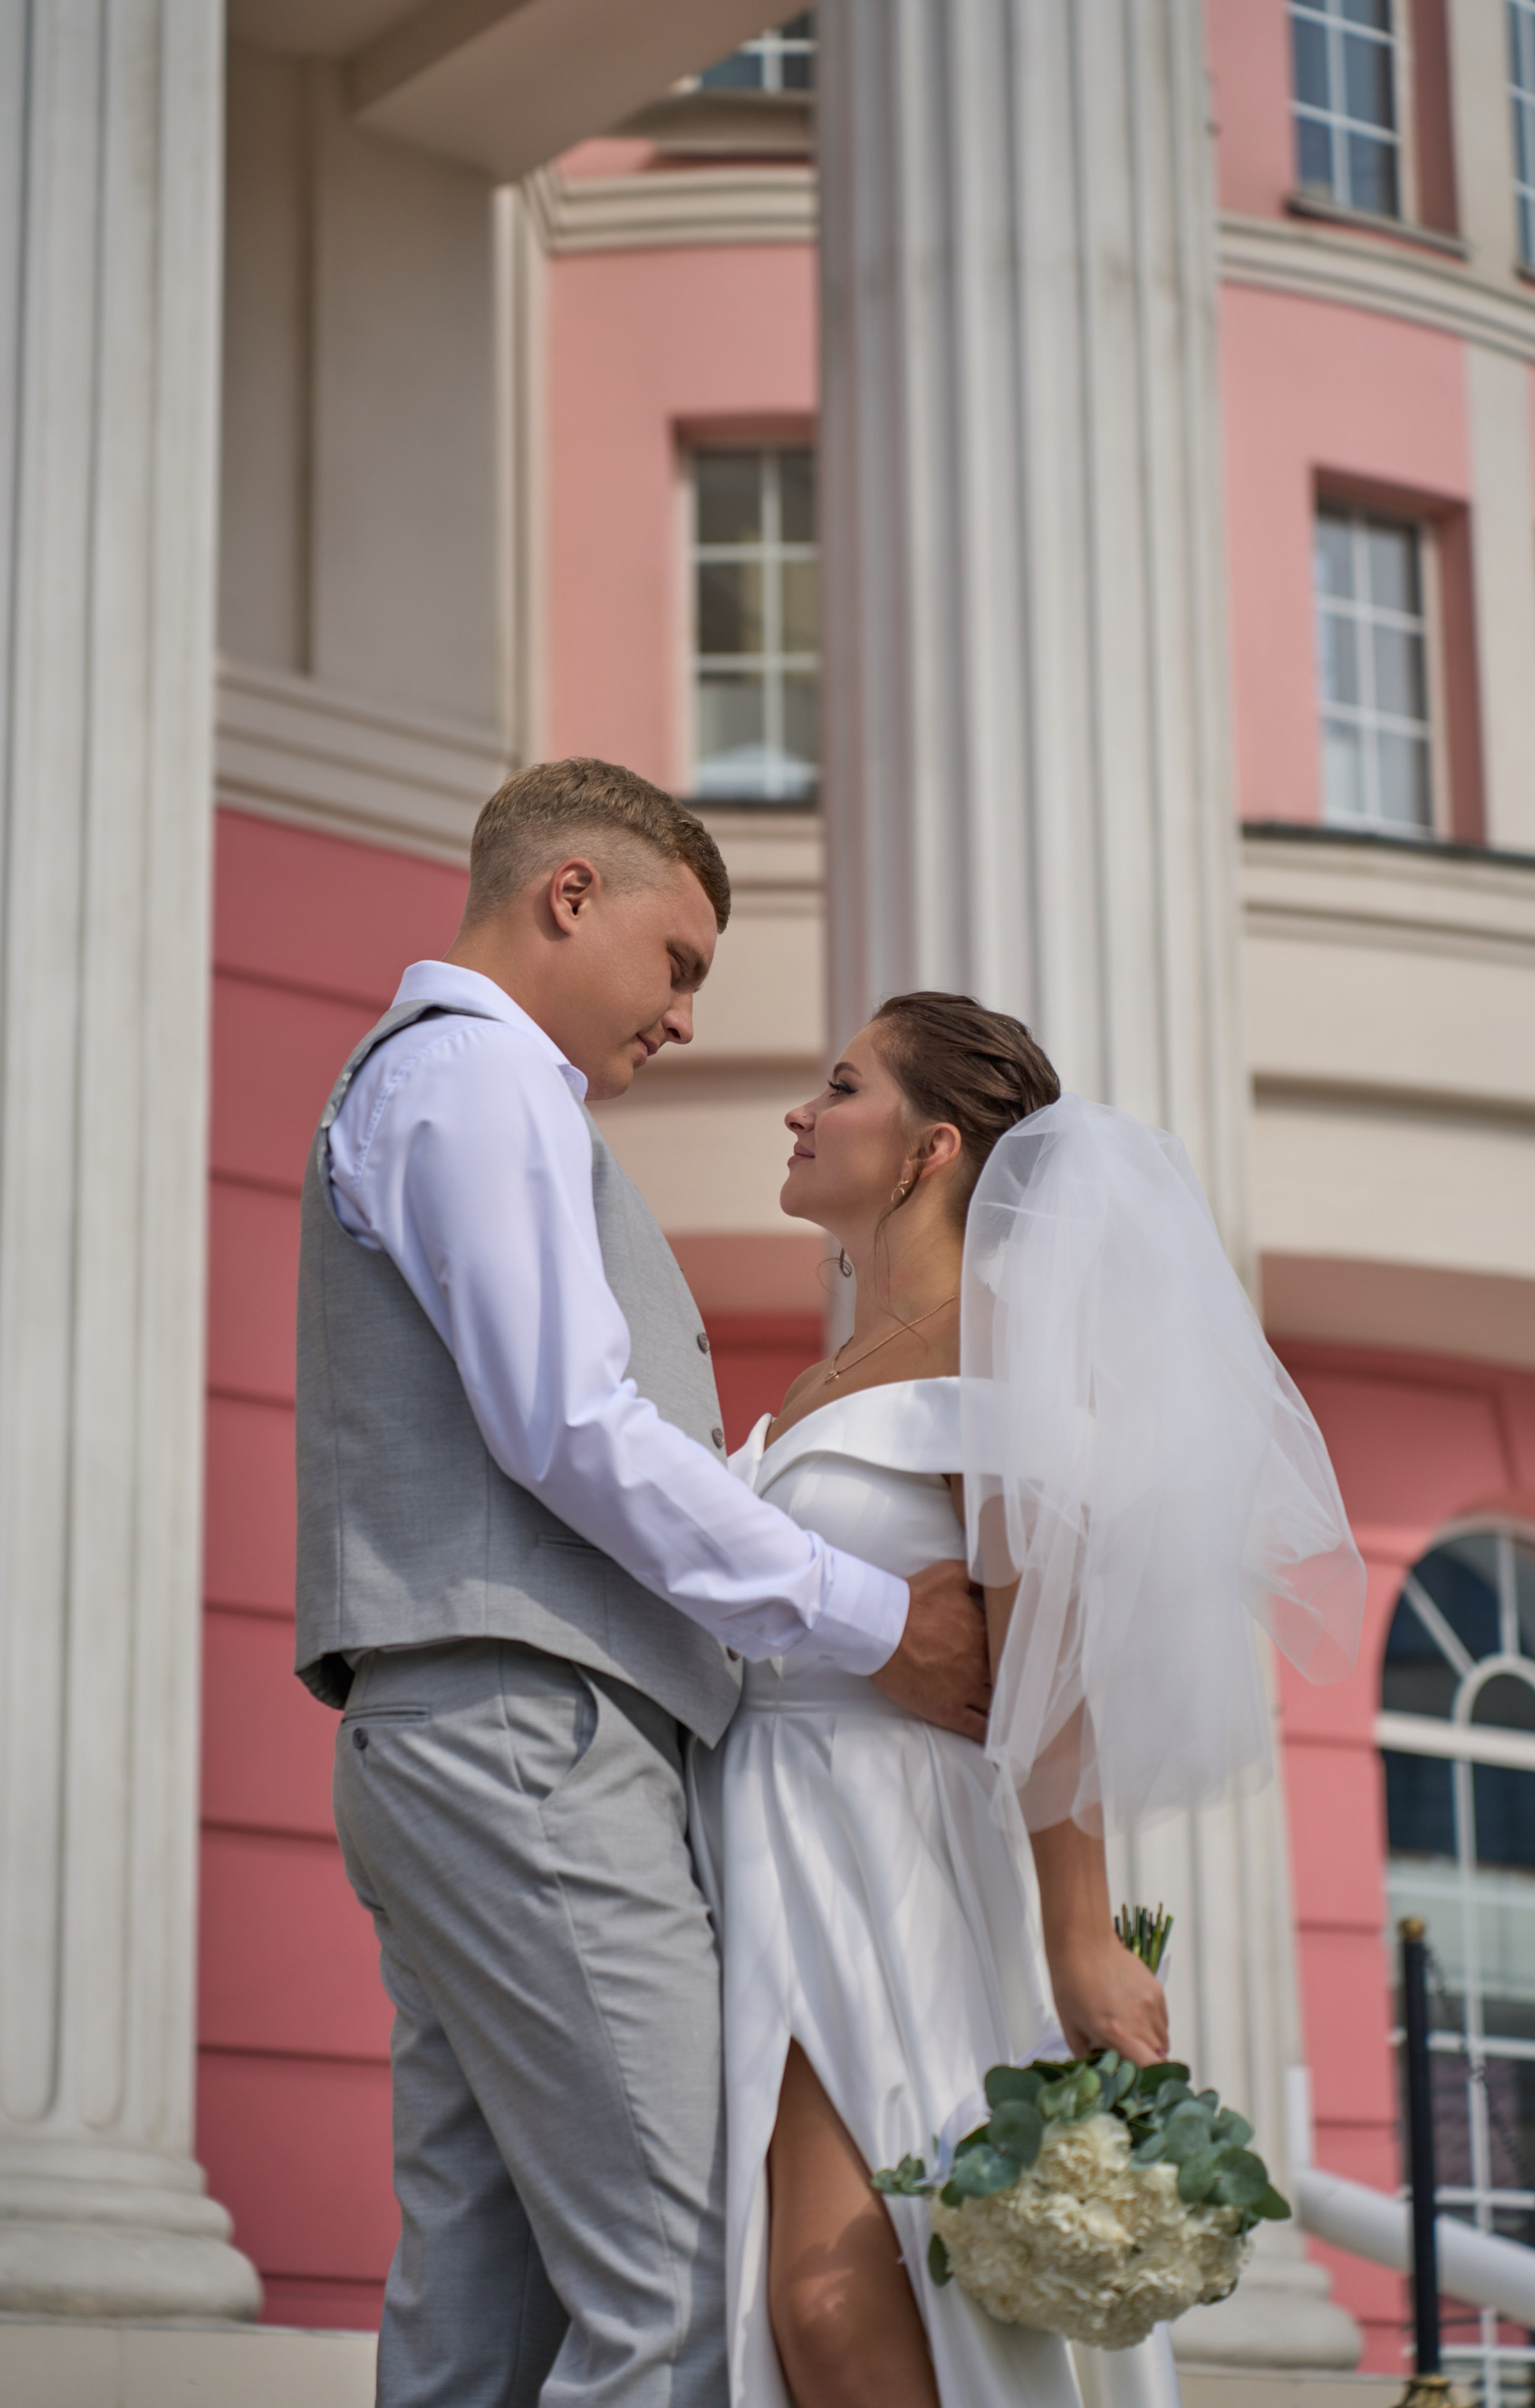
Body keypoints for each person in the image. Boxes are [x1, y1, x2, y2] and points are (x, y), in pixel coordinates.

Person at [293, 762, 991, 2408]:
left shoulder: (456, 1087)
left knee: (484, 2312)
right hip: (528, 1739)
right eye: (678, 963)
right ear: (569, 897)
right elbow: (567, 1424)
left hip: (464, 1732)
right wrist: (877, 1620)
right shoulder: (475, 1074)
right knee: (681, 2284)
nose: (683, 1018)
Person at [690, 990, 1366, 2408]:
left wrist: (1077, 1930)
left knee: (830, 2299)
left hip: (889, 1851)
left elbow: (1048, 1653)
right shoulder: (824, 1373)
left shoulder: (1002, 1365)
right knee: (786, 2299)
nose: (801, 1113)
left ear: (930, 1148)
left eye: (842, 1086)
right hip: (759, 1834)